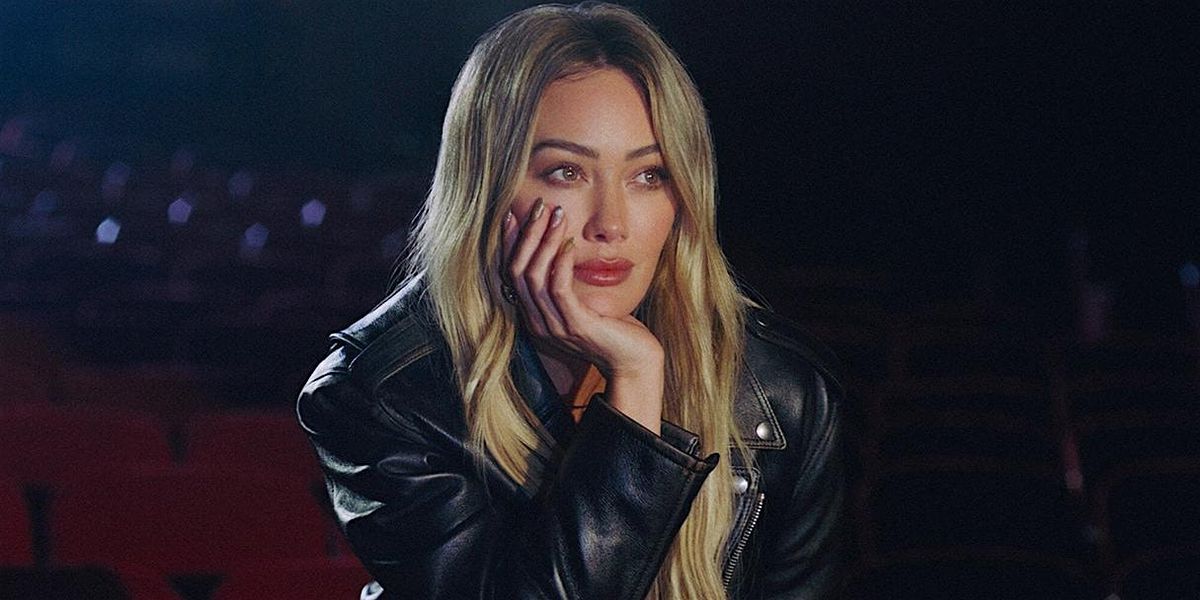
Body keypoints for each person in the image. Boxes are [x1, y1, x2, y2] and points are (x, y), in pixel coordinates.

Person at [297, 3, 849, 598]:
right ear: (486, 187)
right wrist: (635, 381)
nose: (611, 224)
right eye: (566, 172)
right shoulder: (381, 397)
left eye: (649, 175)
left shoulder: (783, 391)